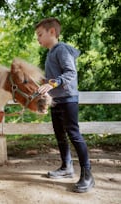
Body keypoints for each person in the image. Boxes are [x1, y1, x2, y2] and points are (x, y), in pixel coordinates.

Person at [35, 17, 94, 193]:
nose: (37, 38)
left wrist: (52, 84)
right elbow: (53, 78)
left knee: (74, 135)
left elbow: (71, 73)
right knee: (60, 135)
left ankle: (88, 175)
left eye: (39, 34)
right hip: (56, 100)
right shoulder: (50, 53)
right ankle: (66, 167)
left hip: (68, 99)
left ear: (52, 32)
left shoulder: (61, 50)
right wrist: (42, 82)